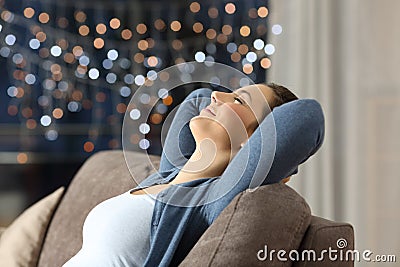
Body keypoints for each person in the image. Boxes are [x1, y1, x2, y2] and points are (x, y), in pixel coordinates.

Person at [63, 83, 325, 267]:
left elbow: (307, 116)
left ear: (259, 140)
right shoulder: (164, 177)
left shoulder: (212, 200)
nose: (216, 97)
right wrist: (233, 105)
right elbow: (198, 98)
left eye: (239, 100)